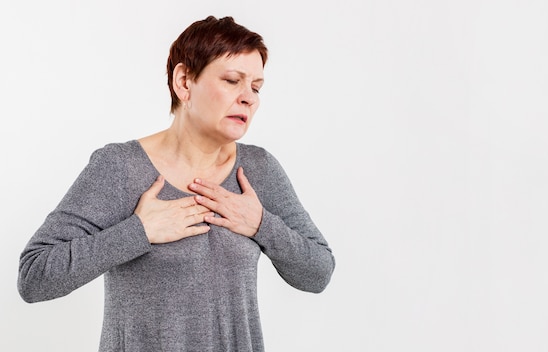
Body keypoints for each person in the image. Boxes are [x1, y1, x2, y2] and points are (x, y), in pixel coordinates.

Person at [17, 16, 335, 352]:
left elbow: (318, 273)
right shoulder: (121, 167)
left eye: (256, 87)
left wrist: (260, 225)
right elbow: (34, 277)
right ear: (184, 81)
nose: (249, 98)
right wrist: (139, 231)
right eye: (232, 80)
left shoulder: (259, 170)